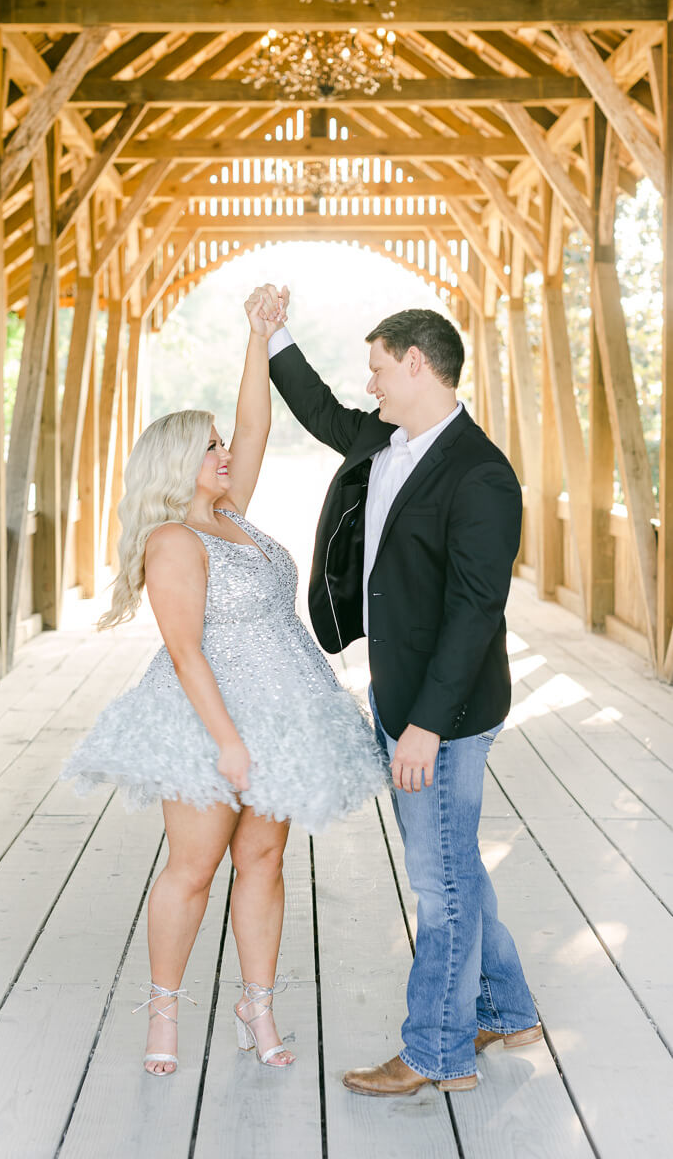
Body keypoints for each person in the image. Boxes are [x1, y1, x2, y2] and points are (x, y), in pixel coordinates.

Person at [60, 292, 385, 1078]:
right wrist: (229, 746)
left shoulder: (232, 514)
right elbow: (184, 652)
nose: (225, 454)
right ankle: (165, 1009)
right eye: (209, 448)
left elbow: (257, 424)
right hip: (209, 720)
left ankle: (258, 1004)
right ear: (179, 464)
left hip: (283, 709)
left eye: (220, 444)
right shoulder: (173, 539)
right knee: (193, 869)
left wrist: (259, 336)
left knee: (265, 861)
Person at [247, 284, 540, 1097]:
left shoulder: (480, 475)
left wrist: (426, 727)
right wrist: (273, 337)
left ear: (417, 364)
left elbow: (475, 612)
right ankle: (508, 1008)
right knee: (455, 864)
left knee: (439, 885)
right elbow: (322, 412)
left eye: (379, 369)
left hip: (438, 712)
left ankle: (438, 1055)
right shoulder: (386, 439)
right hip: (397, 691)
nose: (369, 385)